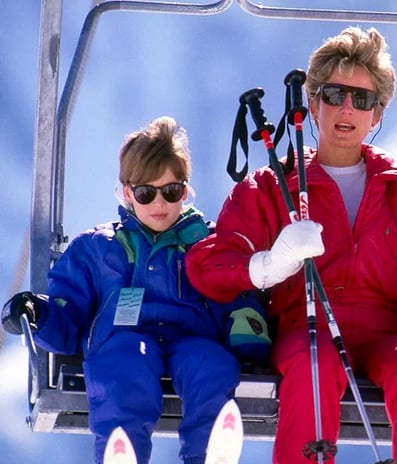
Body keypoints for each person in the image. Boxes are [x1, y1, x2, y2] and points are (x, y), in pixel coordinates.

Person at [184, 26, 397, 464]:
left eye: (362, 99)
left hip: (389, 333)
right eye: (333, 94)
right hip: (305, 329)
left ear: (377, 113)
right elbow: (208, 265)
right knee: (315, 363)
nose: (347, 108)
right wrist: (269, 265)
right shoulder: (273, 187)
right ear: (312, 104)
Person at [2, 116, 270, 464]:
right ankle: (123, 448)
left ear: (186, 190)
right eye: (146, 193)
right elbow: (69, 315)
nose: (159, 203)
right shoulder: (97, 249)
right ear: (127, 193)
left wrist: (251, 339)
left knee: (211, 365)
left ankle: (209, 452)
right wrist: (39, 315)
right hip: (125, 340)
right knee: (124, 366)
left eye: (170, 191)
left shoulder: (209, 245)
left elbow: (237, 292)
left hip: (193, 340)